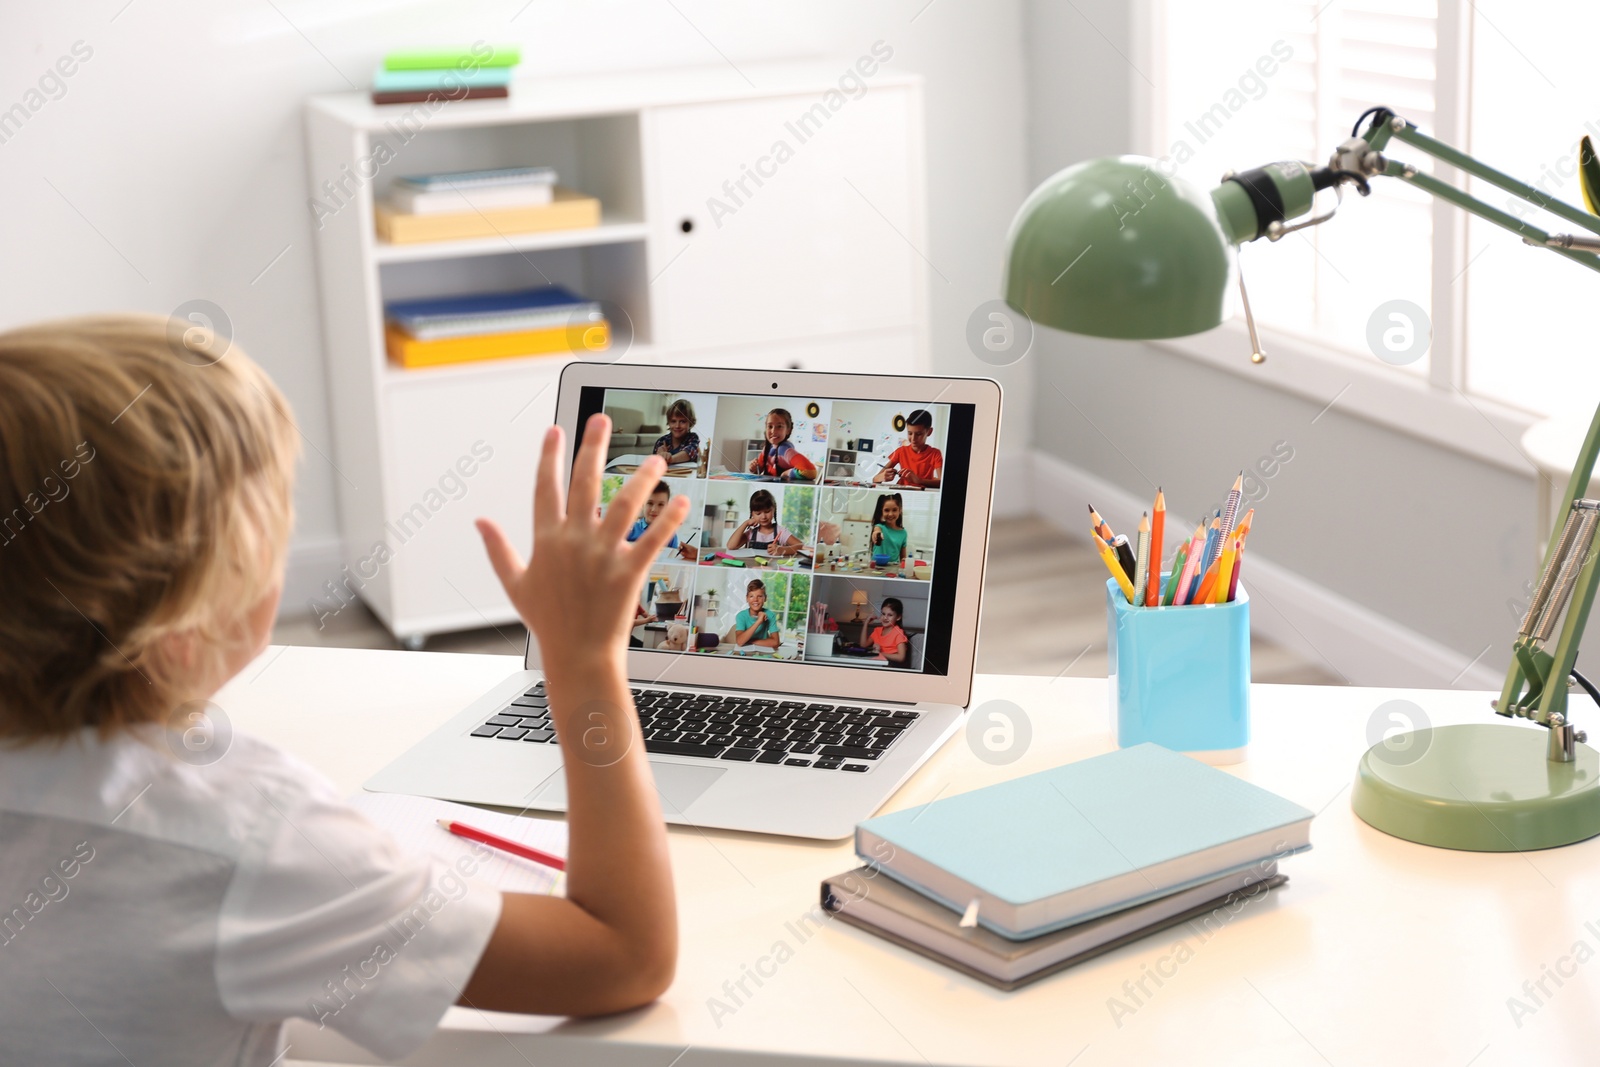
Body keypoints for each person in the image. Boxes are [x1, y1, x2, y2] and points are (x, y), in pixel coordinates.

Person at [0, 315, 685, 1066]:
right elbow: (623, 954)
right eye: (277, 508)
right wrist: (585, 660)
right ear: (198, 596)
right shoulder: (251, 839)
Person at [874, 408, 942, 488]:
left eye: (919, 434)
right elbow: (875, 479)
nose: (913, 439)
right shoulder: (900, 451)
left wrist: (919, 480)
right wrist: (882, 477)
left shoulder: (935, 454)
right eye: (910, 433)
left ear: (929, 432)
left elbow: (942, 483)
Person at [746, 408, 817, 482]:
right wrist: (753, 468)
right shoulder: (767, 448)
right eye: (770, 426)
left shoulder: (785, 450)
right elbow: (759, 470)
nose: (773, 431)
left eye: (779, 426)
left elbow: (810, 471)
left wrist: (787, 473)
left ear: (788, 430)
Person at [727, 488, 802, 556]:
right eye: (758, 513)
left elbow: (801, 546)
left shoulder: (781, 532)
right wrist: (745, 523)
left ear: (774, 509)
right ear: (752, 513)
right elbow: (731, 546)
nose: (763, 517)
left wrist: (782, 550)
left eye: (767, 511)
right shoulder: (751, 533)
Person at [858, 596, 912, 666]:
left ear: (898, 617)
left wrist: (879, 653)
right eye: (883, 614)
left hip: (891, 665)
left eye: (890, 615)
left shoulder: (898, 633)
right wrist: (866, 623)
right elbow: (863, 645)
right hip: (878, 662)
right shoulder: (877, 631)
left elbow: (901, 657)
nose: (885, 618)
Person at [731, 578, 781, 649]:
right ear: (747, 598)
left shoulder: (770, 615)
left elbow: (776, 643)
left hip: (764, 650)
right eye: (751, 596)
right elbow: (739, 641)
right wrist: (759, 621)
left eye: (759, 596)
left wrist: (751, 641)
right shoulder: (741, 616)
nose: (755, 600)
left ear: (765, 598)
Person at [651, 398, 699, 465]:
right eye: (673, 421)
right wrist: (660, 455)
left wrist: (668, 459)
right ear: (669, 423)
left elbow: (689, 453)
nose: (677, 426)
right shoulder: (662, 441)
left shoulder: (693, 438)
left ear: (690, 423)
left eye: (682, 421)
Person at [869, 493, 908, 570]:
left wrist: (905, 561)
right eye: (886, 510)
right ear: (882, 511)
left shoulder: (903, 533)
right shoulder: (879, 527)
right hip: (876, 567)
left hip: (893, 568)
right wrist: (876, 533)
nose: (890, 514)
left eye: (894, 510)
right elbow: (877, 530)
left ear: (900, 510)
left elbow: (903, 557)